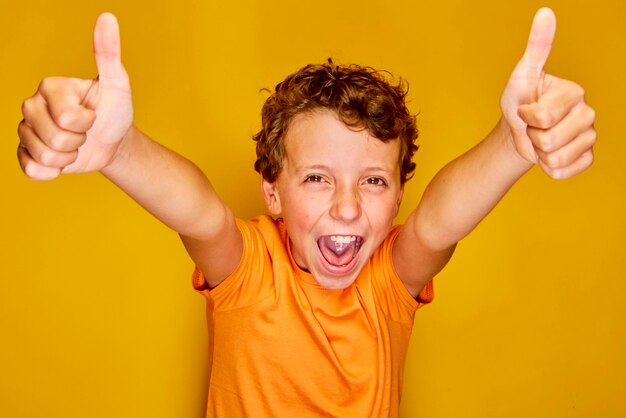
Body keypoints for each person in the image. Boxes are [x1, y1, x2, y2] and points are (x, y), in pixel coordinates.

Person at [16, 7, 596, 418]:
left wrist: (510, 145)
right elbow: (199, 213)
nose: (346, 206)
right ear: (272, 192)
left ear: (396, 198)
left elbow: (439, 221)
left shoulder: (389, 281)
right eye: (317, 178)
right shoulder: (248, 271)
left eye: (373, 180)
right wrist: (120, 150)